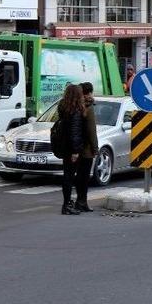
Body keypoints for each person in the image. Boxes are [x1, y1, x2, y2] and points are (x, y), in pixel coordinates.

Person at [58, 84, 86, 215]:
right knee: (69, 177)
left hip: (64, 146)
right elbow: (75, 132)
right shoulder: (75, 111)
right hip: (72, 148)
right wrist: (76, 151)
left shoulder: (64, 108)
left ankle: (67, 204)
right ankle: (67, 205)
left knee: (67, 176)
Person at [76, 82, 100, 212]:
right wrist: (95, 148)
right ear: (90, 92)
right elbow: (91, 130)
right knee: (84, 177)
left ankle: (78, 201)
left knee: (78, 175)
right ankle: (82, 202)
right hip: (86, 148)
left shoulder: (75, 105)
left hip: (75, 146)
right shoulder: (89, 108)